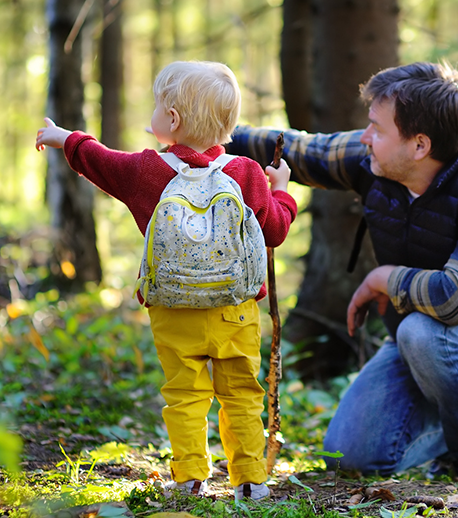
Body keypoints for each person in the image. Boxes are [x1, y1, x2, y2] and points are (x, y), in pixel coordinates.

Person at [226, 61, 458, 490]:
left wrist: (385, 278)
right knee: (350, 456)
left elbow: (455, 299)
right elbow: (299, 150)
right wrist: (209, 135)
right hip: (421, 339)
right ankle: (456, 425)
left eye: (377, 129)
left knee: (424, 331)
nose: (365, 138)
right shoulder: (376, 158)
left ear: (419, 145)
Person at [35, 61, 298, 500]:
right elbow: (275, 230)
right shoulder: (246, 173)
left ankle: (191, 476)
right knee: (241, 392)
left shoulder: (147, 172)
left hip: (174, 309)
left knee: (185, 393)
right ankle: (251, 481)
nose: (152, 114)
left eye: (158, 105)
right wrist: (282, 191)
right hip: (236, 310)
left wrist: (65, 138)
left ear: (171, 119)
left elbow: (99, 160)